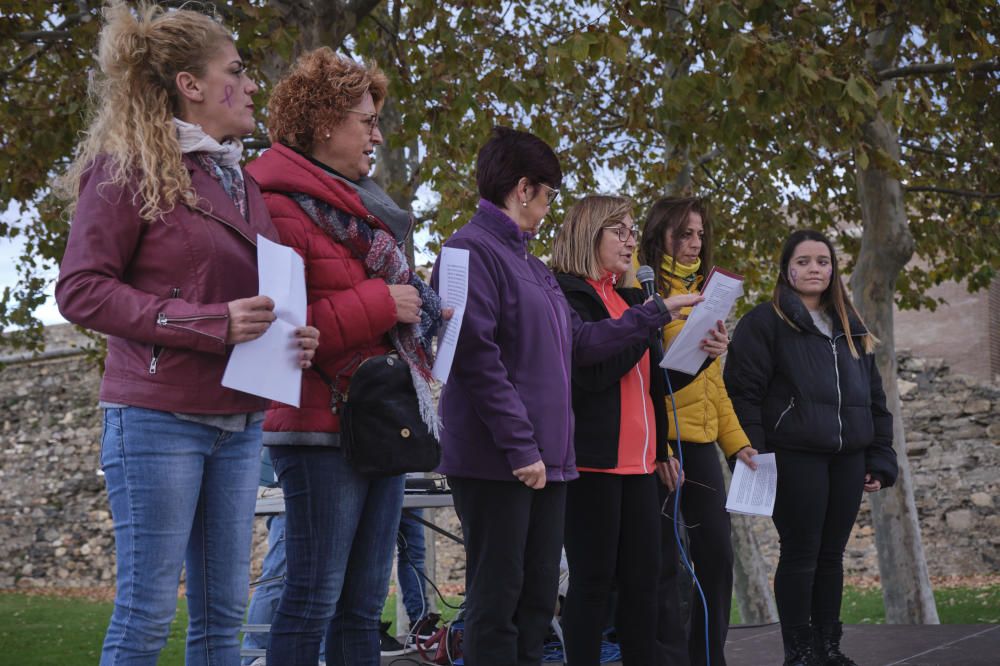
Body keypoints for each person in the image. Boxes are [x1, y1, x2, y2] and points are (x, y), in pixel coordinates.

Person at [54, 3, 318, 664]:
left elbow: (253, 289)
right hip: (156, 418)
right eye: (237, 71)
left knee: (223, 620)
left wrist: (292, 334)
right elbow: (80, 289)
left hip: (238, 419)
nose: (254, 84)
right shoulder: (126, 167)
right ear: (191, 85)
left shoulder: (242, 183)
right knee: (146, 618)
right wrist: (212, 323)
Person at [431, 127, 703, 666]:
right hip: (500, 462)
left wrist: (653, 313)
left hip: (551, 464)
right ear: (524, 188)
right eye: (551, 194)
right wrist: (520, 447)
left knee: (536, 608)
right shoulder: (466, 250)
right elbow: (473, 357)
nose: (551, 206)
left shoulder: (533, 267)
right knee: (497, 605)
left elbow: (580, 344)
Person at [245, 47, 446, 666]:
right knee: (311, 602)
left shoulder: (364, 212)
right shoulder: (273, 205)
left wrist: (425, 304)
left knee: (363, 609)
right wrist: (385, 302)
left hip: (379, 422)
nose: (377, 134)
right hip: (316, 428)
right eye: (366, 120)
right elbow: (281, 332)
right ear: (325, 122)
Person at [550, 195, 729, 666]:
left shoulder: (628, 296)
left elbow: (655, 382)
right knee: (592, 585)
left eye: (632, 231)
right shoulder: (570, 294)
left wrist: (704, 353)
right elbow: (591, 372)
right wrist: (649, 319)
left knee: (644, 584)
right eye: (620, 232)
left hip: (642, 463)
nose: (632, 241)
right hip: (595, 462)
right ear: (590, 234)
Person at [723, 229, 897, 666]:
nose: (814, 268)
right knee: (801, 554)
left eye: (822, 260)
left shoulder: (852, 325)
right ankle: (799, 653)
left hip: (848, 459)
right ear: (787, 269)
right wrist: (753, 454)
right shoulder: (765, 322)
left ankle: (828, 649)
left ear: (833, 268)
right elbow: (742, 392)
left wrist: (880, 457)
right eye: (803, 261)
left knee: (831, 556)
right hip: (794, 455)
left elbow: (874, 398)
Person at [637, 196, 755, 666]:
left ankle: (709, 658)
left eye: (699, 234)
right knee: (664, 564)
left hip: (703, 444)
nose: (693, 243)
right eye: (682, 233)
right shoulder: (643, 289)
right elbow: (643, 382)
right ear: (658, 233)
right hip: (661, 444)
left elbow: (713, 387)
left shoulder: (708, 293)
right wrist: (662, 443)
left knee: (718, 556)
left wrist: (739, 443)